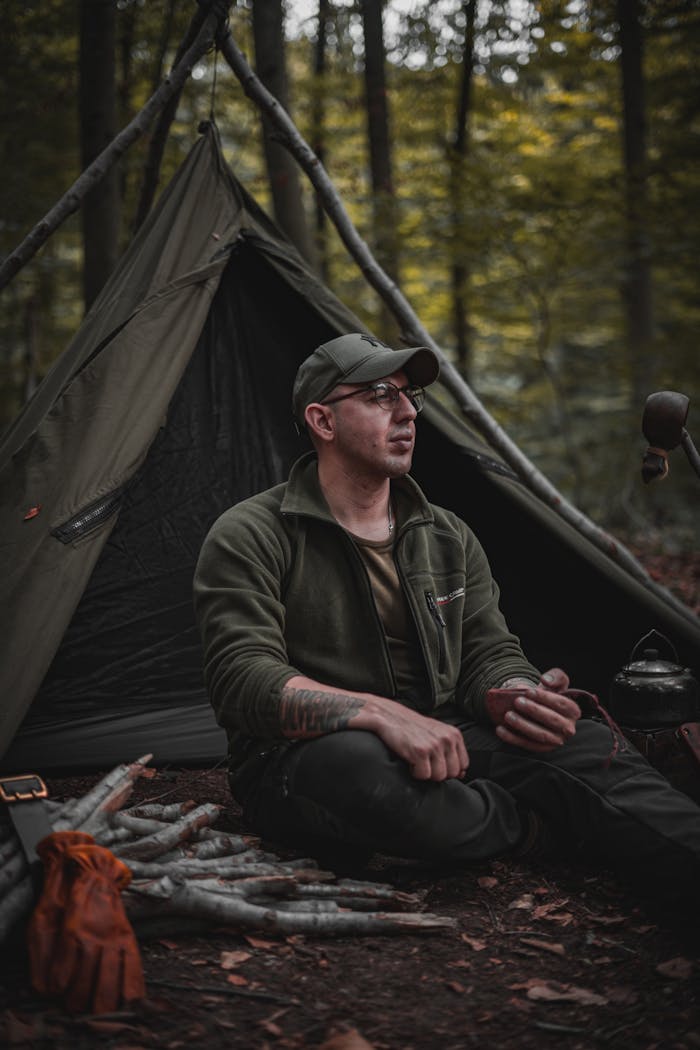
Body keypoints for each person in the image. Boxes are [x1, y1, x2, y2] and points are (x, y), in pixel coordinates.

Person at [194, 333, 700, 898]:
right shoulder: (251, 534)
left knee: (581, 744)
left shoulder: (446, 534)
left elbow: (488, 649)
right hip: (303, 757)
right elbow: (242, 679)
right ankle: (538, 826)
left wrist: (513, 691)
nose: (408, 411)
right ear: (323, 420)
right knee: (360, 772)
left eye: (410, 397)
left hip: (447, 734)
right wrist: (380, 714)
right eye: (382, 394)